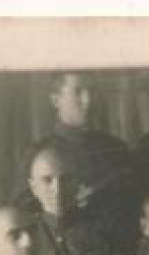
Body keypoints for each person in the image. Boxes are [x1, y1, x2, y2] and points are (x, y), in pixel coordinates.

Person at [21, 142, 123, 255]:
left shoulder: (102, 227)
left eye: (66, 179)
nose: (58, 190)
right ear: (33, 187)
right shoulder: (24, 235)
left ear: (77, 182)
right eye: (47, 180)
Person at [39, 71, 134, 225]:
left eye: (92, 91)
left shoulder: (116, 148)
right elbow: (26, 214)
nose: (88, 100)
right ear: (56, 100)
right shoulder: (39, 155)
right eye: (78, 92)